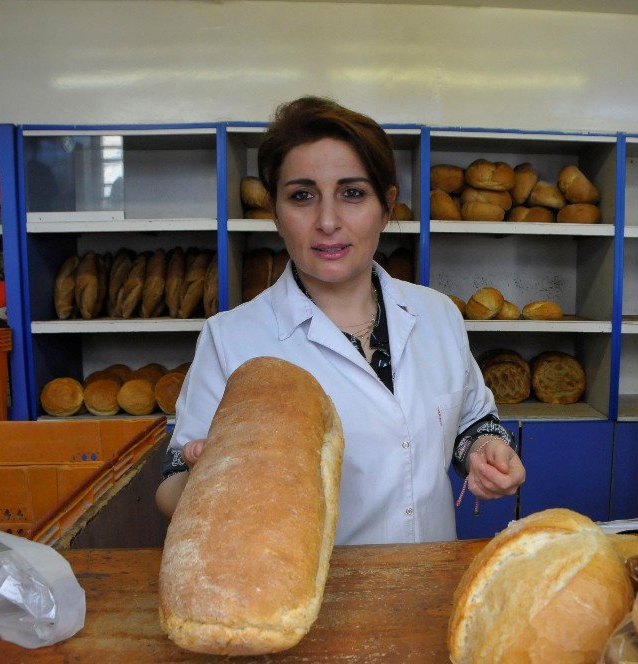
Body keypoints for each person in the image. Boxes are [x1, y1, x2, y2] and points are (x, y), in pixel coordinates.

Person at [155, 96, 525, 544]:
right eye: (302, 196)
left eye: (352, 193)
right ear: (275, 212)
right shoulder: (231, 338)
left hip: (429, 585)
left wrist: (486, 450)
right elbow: (172, 485)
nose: (327, 221)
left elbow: (472, 420)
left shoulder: (437, 315)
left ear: (386, 207)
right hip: (311, 599)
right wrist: (206, 480)